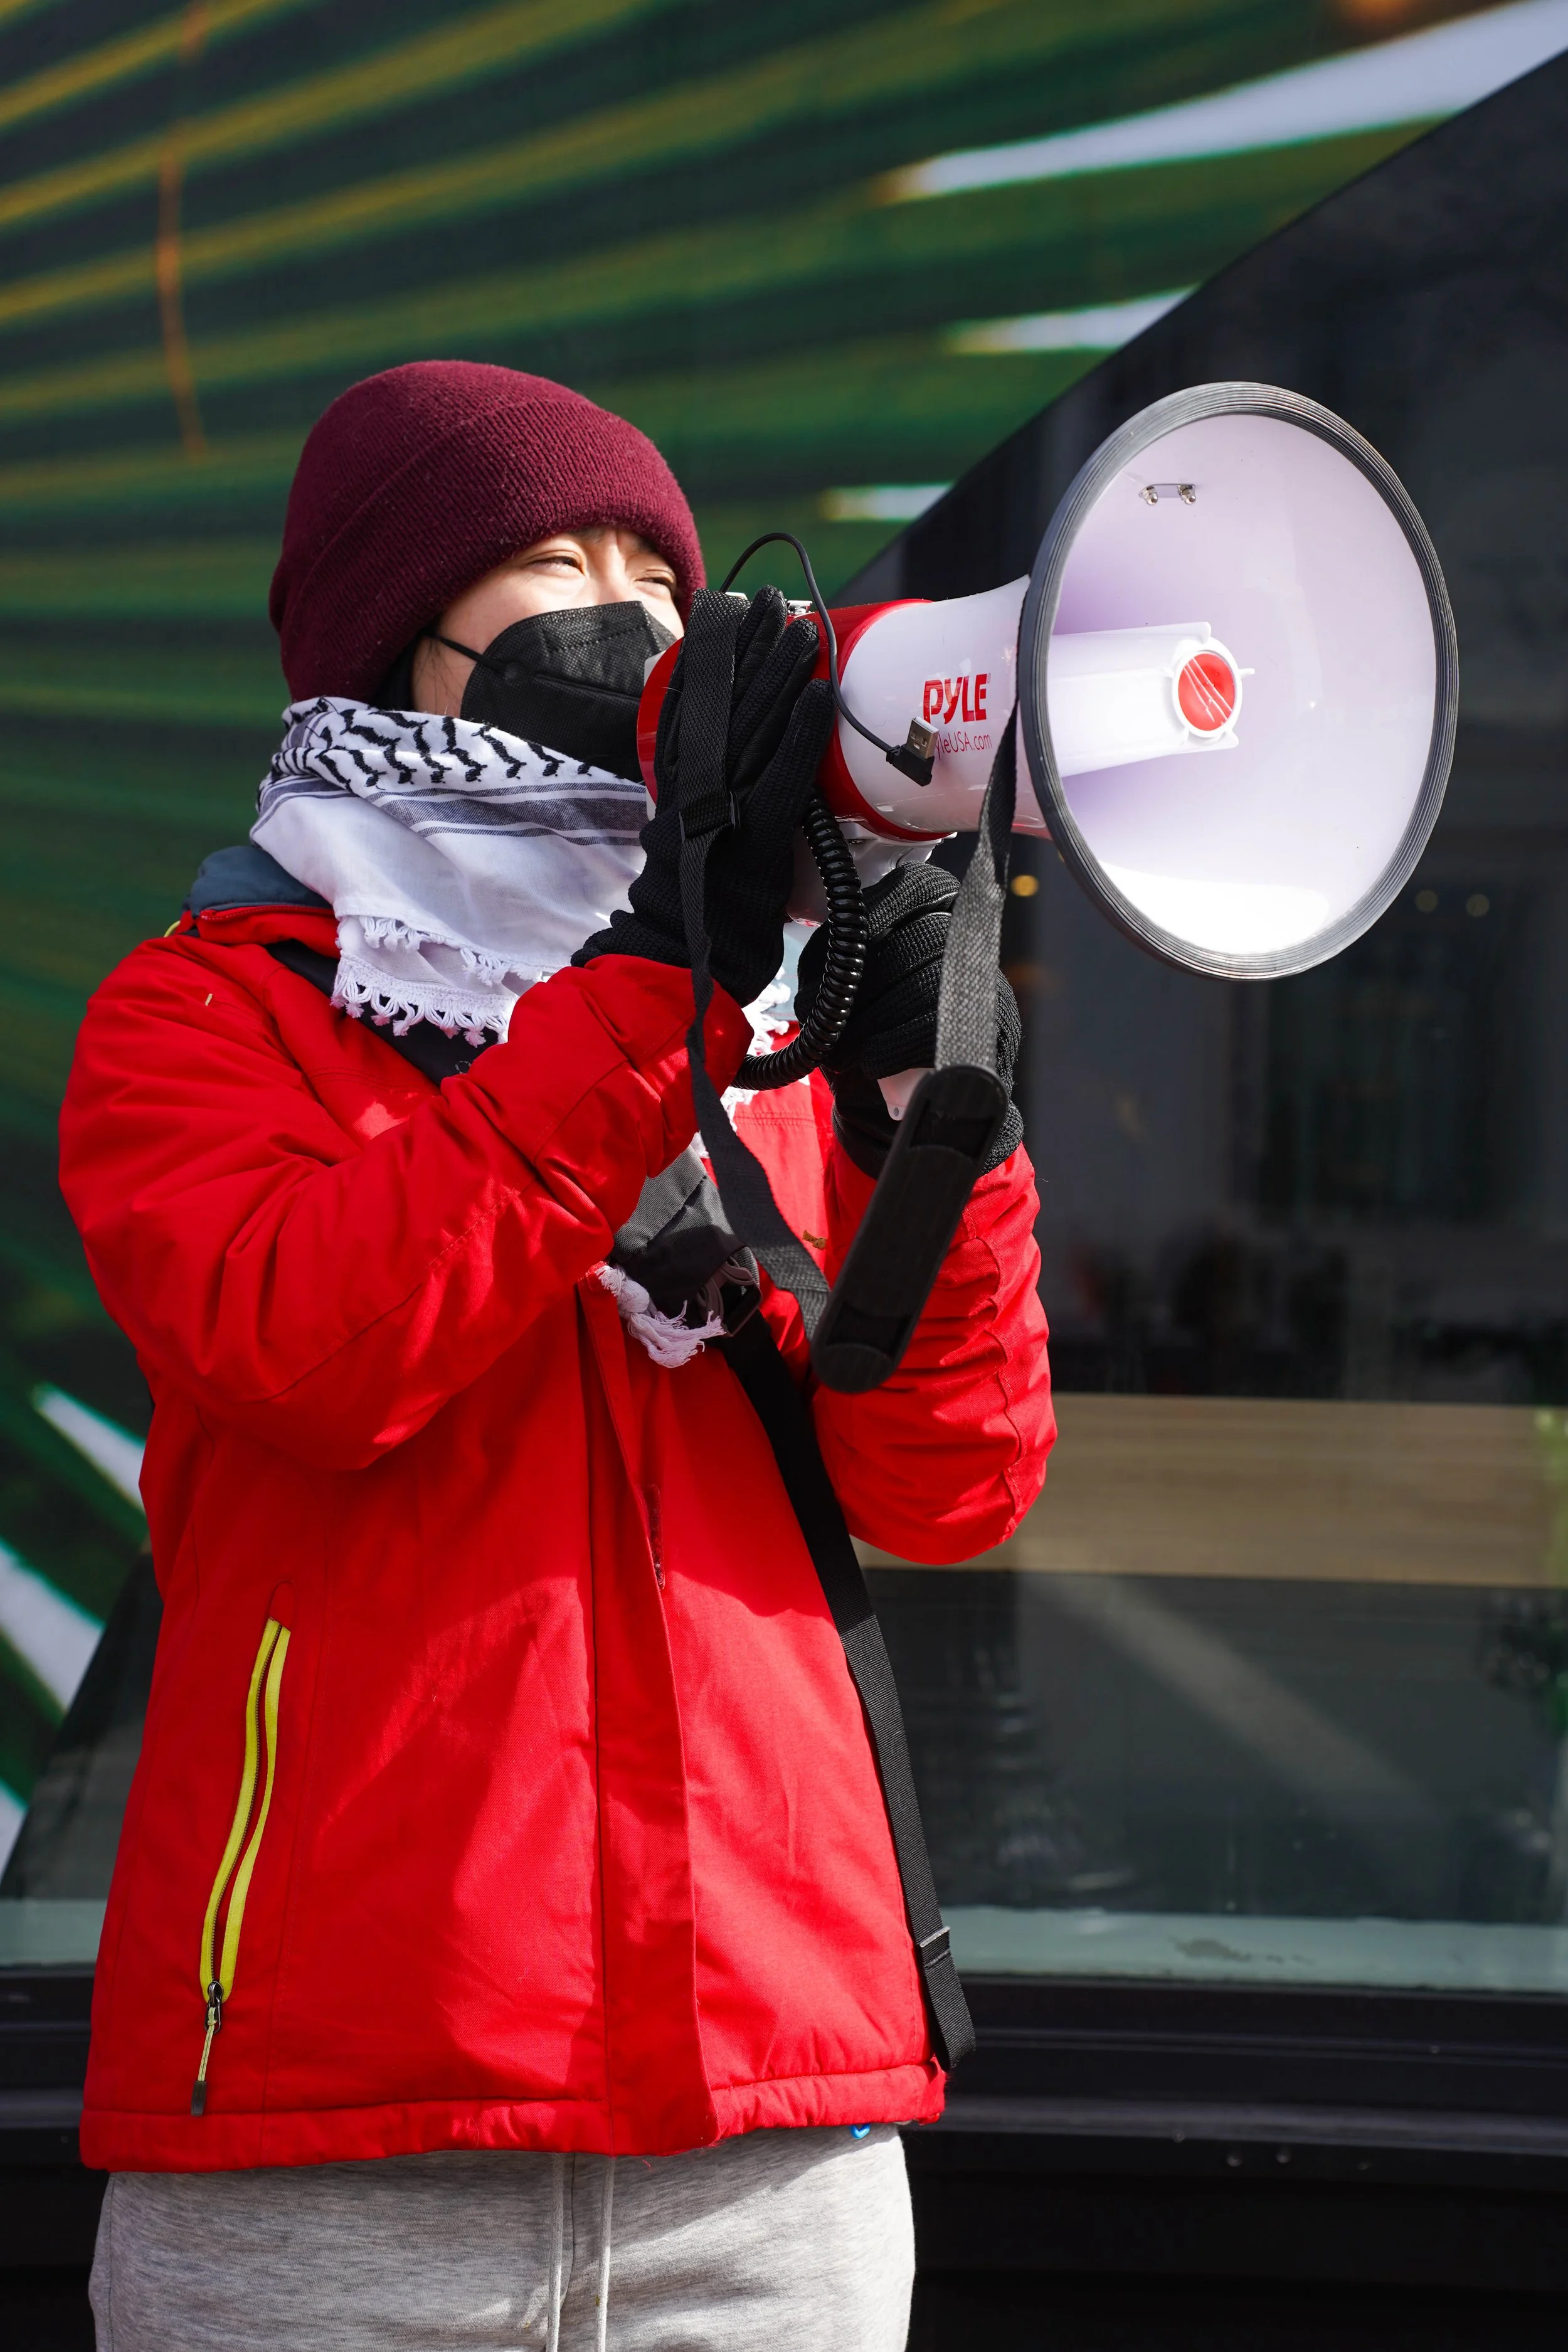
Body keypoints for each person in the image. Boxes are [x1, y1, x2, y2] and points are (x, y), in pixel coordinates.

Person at [59, 361, 1054, 2351]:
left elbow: (949, 1486)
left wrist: (923, 1116)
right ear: (392, 640)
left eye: (653, 566)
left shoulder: (756, 1017)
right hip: (330, 2149)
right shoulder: (203, 1018)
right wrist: (643, 992)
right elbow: (310, 1345)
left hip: (769, 2139)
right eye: (549, 558)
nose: (630, 603)